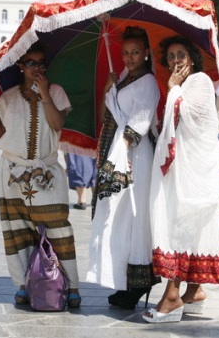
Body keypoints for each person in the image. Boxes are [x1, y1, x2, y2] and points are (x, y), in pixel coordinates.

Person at [143, 35, 219, 324]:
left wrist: (173, 90)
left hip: (195, 169)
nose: (176, 61)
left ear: (192, 58)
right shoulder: (182, 85)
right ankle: (193, 292)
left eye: (181, 54)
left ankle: (172, 296)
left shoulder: (201, 82)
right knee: (185, 224)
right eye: (170, 57)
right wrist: (173, 91)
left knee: (181, 223)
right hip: (184, 166)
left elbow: (193, 116)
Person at [0, 41, 81, 307]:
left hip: (47, 172)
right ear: (20, 66)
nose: (36, 68)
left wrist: (45, 93)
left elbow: (57, 124)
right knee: (17, 231)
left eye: (41, 63)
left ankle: (72, 286)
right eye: (31, 63)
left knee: (58, 229)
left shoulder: (57, 92)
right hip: (12, 173)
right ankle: (23, 285)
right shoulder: (7, 97)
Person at [86, 26, 160, 309]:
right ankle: (123, 279)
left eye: (135, 52)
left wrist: (126, 150)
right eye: (125, 52)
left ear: (145, 54)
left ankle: (140, 282)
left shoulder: (148, 82)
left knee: (133, 213)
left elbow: (141, 118)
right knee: (116, 214)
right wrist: (108, 88)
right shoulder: (124, 79)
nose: (129, 57)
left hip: (135, 155)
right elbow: (108, 116)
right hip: (117, 151)